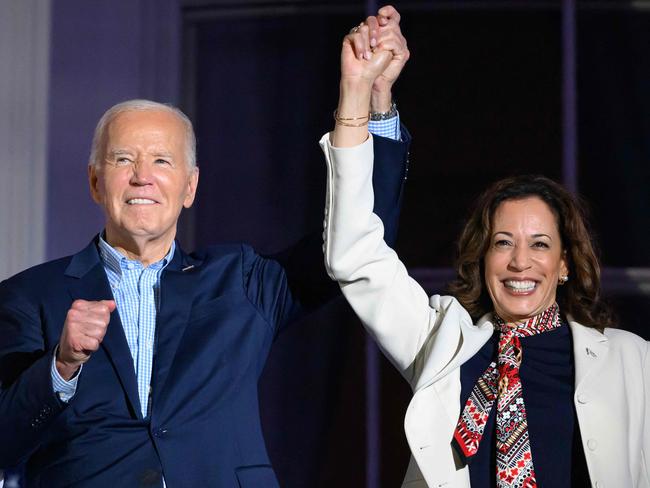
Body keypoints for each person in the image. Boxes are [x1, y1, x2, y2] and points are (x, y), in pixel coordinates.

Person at [0, 8, 409, 487]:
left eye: (161, 161)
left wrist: (371, 99)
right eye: (123, 159)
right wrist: (61, 365)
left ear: (190, 187)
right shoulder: (29, 297)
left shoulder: (241, 281)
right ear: (95, 182)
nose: (141, 176)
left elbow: (361, 238)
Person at [319, 10, 649, 487]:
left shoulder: (630, 361)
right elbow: (354, 255)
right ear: (483, 257)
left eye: (539, 245)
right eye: (503, 243)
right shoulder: (443, 342)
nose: (520, 262)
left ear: (564, 265)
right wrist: (357, 91)